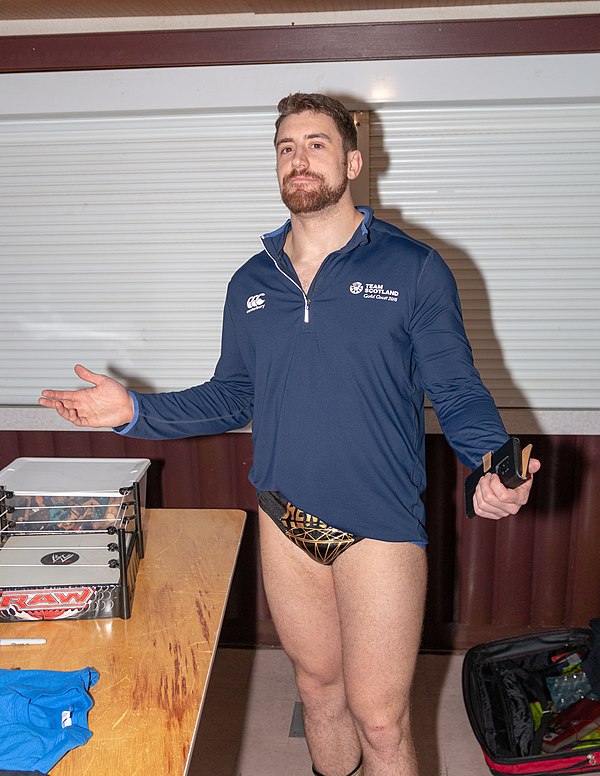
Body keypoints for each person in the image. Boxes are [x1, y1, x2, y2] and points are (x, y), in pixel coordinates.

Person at [39, 93, 540, 776]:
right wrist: (134, 411)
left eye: (316, 144)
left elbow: (454, 388)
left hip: (380, 524)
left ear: (354, 161)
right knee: (315, 690)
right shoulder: (251, 282)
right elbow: (233, 393)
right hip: (284, 516)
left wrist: (488, 460)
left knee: (382, 720)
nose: (298, 159)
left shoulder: (412, 269)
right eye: (286, 147)